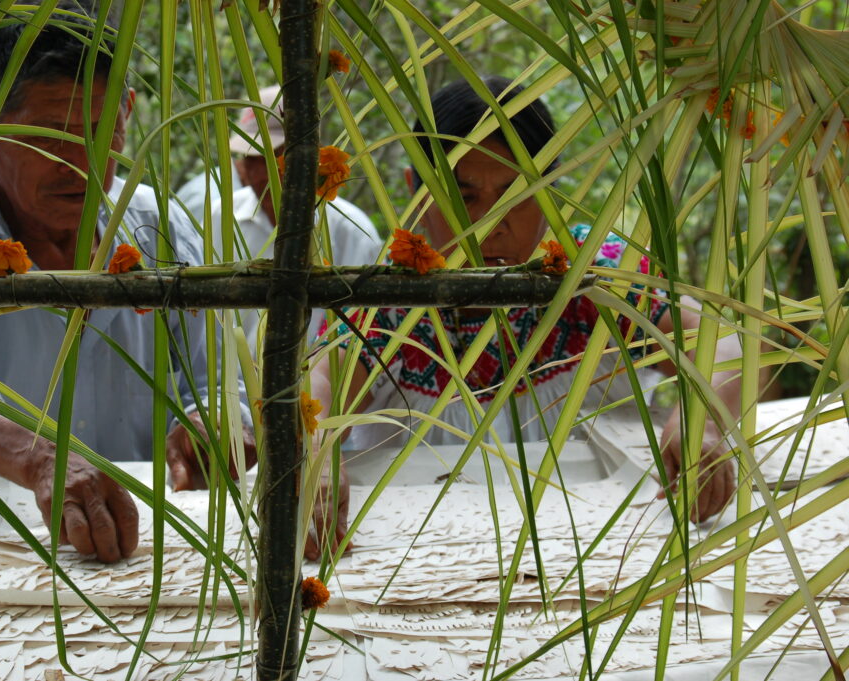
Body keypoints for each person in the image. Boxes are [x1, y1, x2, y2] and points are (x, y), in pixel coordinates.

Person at [0, 2, 257, 563]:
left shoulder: (159, 231)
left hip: (151, 552)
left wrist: (210, 419)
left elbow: (215, 379)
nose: (81, 163)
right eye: (47, 136)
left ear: (128, 111)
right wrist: (40, 457)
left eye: (102, 131)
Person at [313, 77, 741, 523]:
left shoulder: (590, 282)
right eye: (462, 196)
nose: (488, 223)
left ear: (552, 187)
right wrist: (316, 456)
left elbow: (720, 343)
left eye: (515, 195)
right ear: (415, 188)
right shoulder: (390, 303)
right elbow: (318, 386)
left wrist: (702, 423)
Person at [209, 84, 383, 350]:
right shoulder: (221, 217)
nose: (261, 174)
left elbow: (363, 334)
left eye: (275, 157)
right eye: (252, 158)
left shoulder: (351, 231)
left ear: (309, 155)